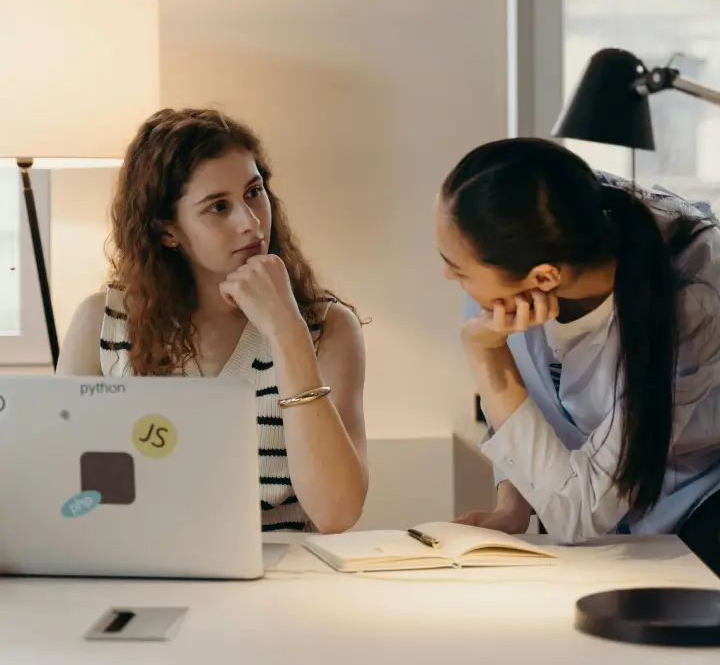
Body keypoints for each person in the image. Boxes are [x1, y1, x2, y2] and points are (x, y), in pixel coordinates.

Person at [58, 107, 369, 535]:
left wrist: (287, 333)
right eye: (218, 207)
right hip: (140, 562)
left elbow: (337, 514)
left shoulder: (329, 328)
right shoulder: (103, 323)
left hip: (284, 571)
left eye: (254, 192)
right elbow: (64, 491)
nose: (251, 223)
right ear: (168, 231)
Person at [436, 137, 720, 574]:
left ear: (544, 278)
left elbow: (576, 516)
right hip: (606, 526)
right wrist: (513, 505)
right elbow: (524, 411)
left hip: (699, 518)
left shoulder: (694, 299)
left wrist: (488, 359)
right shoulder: (524, 251)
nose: (447, 274)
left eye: (457, 268)